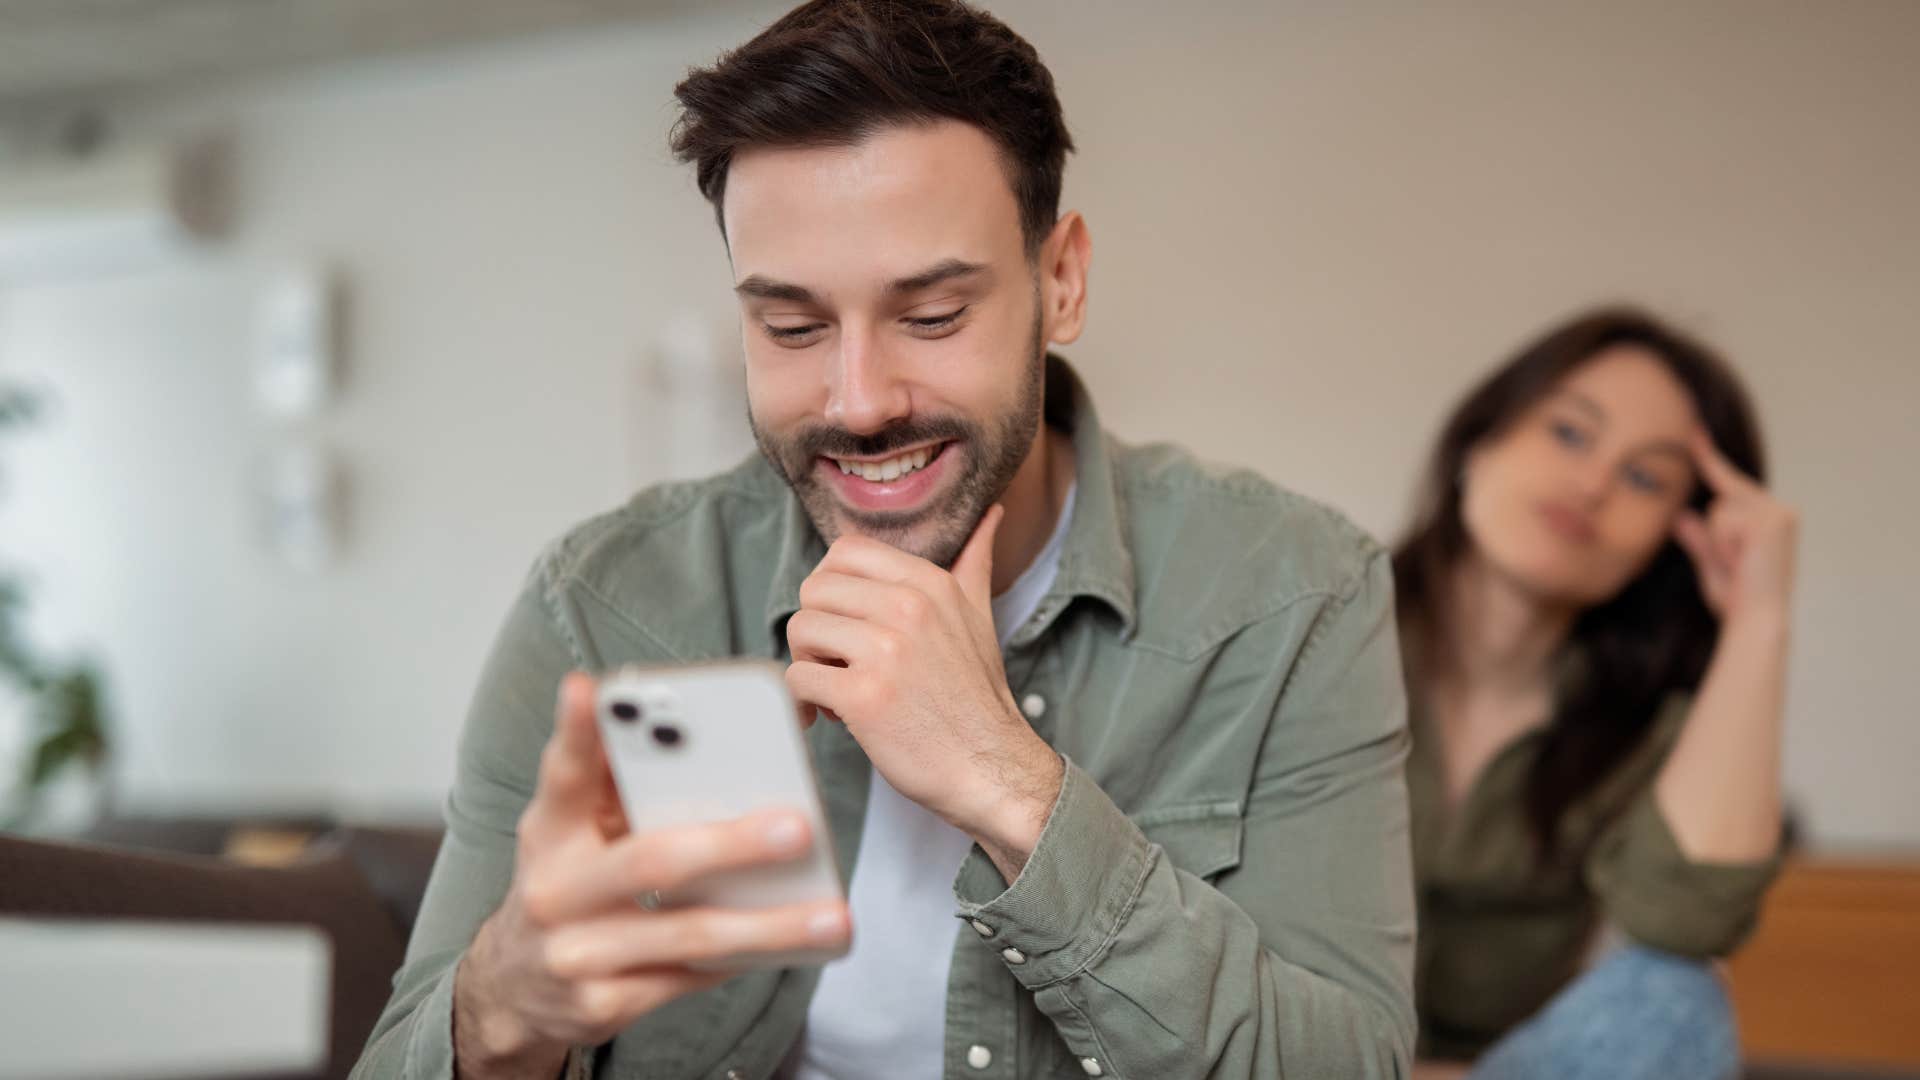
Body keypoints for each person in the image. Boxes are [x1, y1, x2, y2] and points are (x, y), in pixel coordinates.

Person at [353, 2, 1415, 1077]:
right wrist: (503, 1008)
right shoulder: (606, 604)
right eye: (793, 327)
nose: (859, 402)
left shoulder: (1295, 595)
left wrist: (1010, 784)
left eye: (933, 315)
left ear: (1061, 282)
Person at [1395, 308, 1794, 1080]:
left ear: (1674, 537)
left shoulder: (1645, 728)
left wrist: (1760, 621)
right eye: (1571, 432)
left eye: (1645, 477)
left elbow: (1687, 920)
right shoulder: (1305, 632)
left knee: (1676, 997)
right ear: (1480, 440)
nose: (1593, 484)